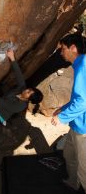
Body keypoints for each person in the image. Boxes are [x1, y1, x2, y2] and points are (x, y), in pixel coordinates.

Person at [51, 33, 86, 193]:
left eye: (63, 49)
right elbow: (79, 97)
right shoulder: (79, 64)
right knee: (69, 154)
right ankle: (73, 183)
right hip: (76, 124)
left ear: (73, 48)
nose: (61, 52)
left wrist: (61, 117)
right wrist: (63, 108)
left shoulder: (83, 64)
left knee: (84, 169)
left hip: (84, 130)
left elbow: (82, 101)